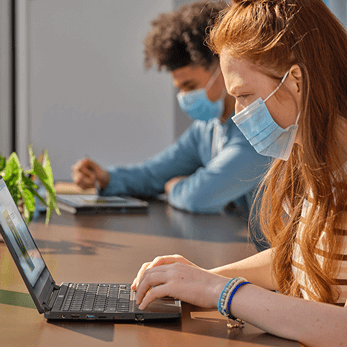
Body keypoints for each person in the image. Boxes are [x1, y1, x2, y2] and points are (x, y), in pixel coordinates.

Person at [131, 0, 347, 345]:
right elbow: (299, 258)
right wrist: (196, 280)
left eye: (245, 95)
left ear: (295, 81)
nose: (239, 114)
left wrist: (222, 291)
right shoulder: (315, 164)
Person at [71, 1, 269, 222]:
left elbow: (198, 198)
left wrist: (174, 186)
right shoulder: (207, 129)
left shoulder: (258, 132)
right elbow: (155, 173)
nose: (185, 96)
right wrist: (107, 178)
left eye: (191, 86)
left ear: (223, 69)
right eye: (181, 88)